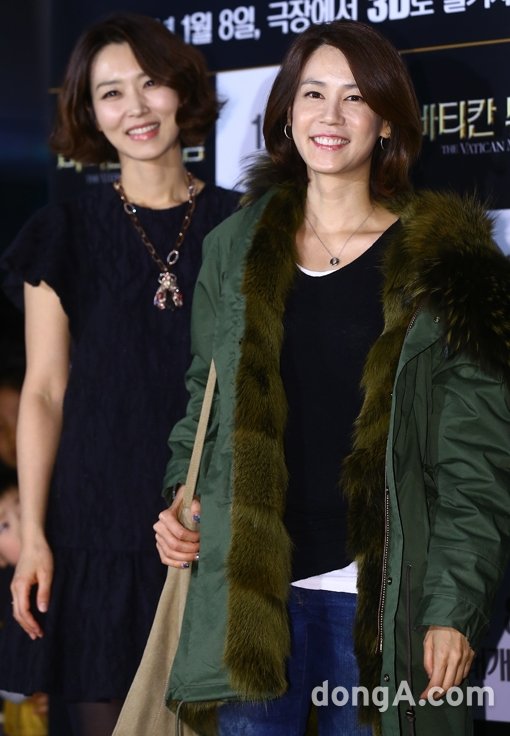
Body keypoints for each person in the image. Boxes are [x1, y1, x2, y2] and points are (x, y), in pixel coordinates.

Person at [153, 19, 510, 736]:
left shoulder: (449, 262)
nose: (332, 115)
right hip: (250, 595)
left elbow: (478, 461)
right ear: (287, 112)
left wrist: (453, 608)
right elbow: (205, 398)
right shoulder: (236, 246)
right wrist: (181, 499)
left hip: (381, 600)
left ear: (387, 122)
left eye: (355, 97)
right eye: (314, 93)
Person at [0, 12, 239, 736]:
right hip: (92, 524)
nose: (135, 107)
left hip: (205, 524)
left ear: (181, 90)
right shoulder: (63, 232)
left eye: (150, 82)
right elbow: (44, 390)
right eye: (110, 93)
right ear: (89, 113)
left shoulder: (245, 225)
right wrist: (33, 534)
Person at [0, 468, 48, 736]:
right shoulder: (9, 595)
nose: (20, 529)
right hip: (27, 713)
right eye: (3, 526)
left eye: (21, 512)